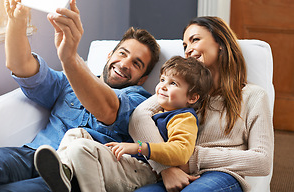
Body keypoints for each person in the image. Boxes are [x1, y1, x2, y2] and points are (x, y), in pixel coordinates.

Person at [0, 0, 160, 191]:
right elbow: (20, 65)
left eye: (136, 64)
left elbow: (108, 109)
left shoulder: (140, 101)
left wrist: (70, 58)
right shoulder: (67, 82)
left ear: (142, 78)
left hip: (73, 175)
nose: (125, 64)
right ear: (109, 55)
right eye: (123, 53)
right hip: (33, 154)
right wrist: (17, 20)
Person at [129, 16, 274, 192]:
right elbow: (138, 117)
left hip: (222, 174)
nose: (188, 50)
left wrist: (192, 157)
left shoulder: (253, 95)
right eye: (185, 46)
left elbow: (262, 160)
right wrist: (165, 169)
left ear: (220, 42)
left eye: (195, 40)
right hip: (177, 172)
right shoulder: (184, 92)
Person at [33, 56, 212, 192]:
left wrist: (138, 147)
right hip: (132, 163)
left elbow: (181, 152)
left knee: (81, 148)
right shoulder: (161, 111)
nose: (163, 86)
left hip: (144, 171)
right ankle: (65, 172)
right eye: (163, 80)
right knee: (76, 133)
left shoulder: (183, 118)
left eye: (173, 83)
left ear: (192, 97)